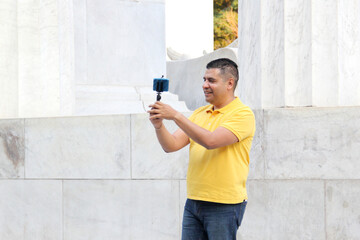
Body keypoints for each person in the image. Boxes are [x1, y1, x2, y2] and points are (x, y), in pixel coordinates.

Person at [148, 58, 255, 240]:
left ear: (230, 83)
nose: (205, 85)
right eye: (204, 80)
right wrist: (159, 126)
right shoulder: (199, 114)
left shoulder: (242, 114)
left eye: (211, 81)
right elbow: (171, 145)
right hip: (194, 201)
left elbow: (211, 141)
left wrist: (175, 115)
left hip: (224, 204)